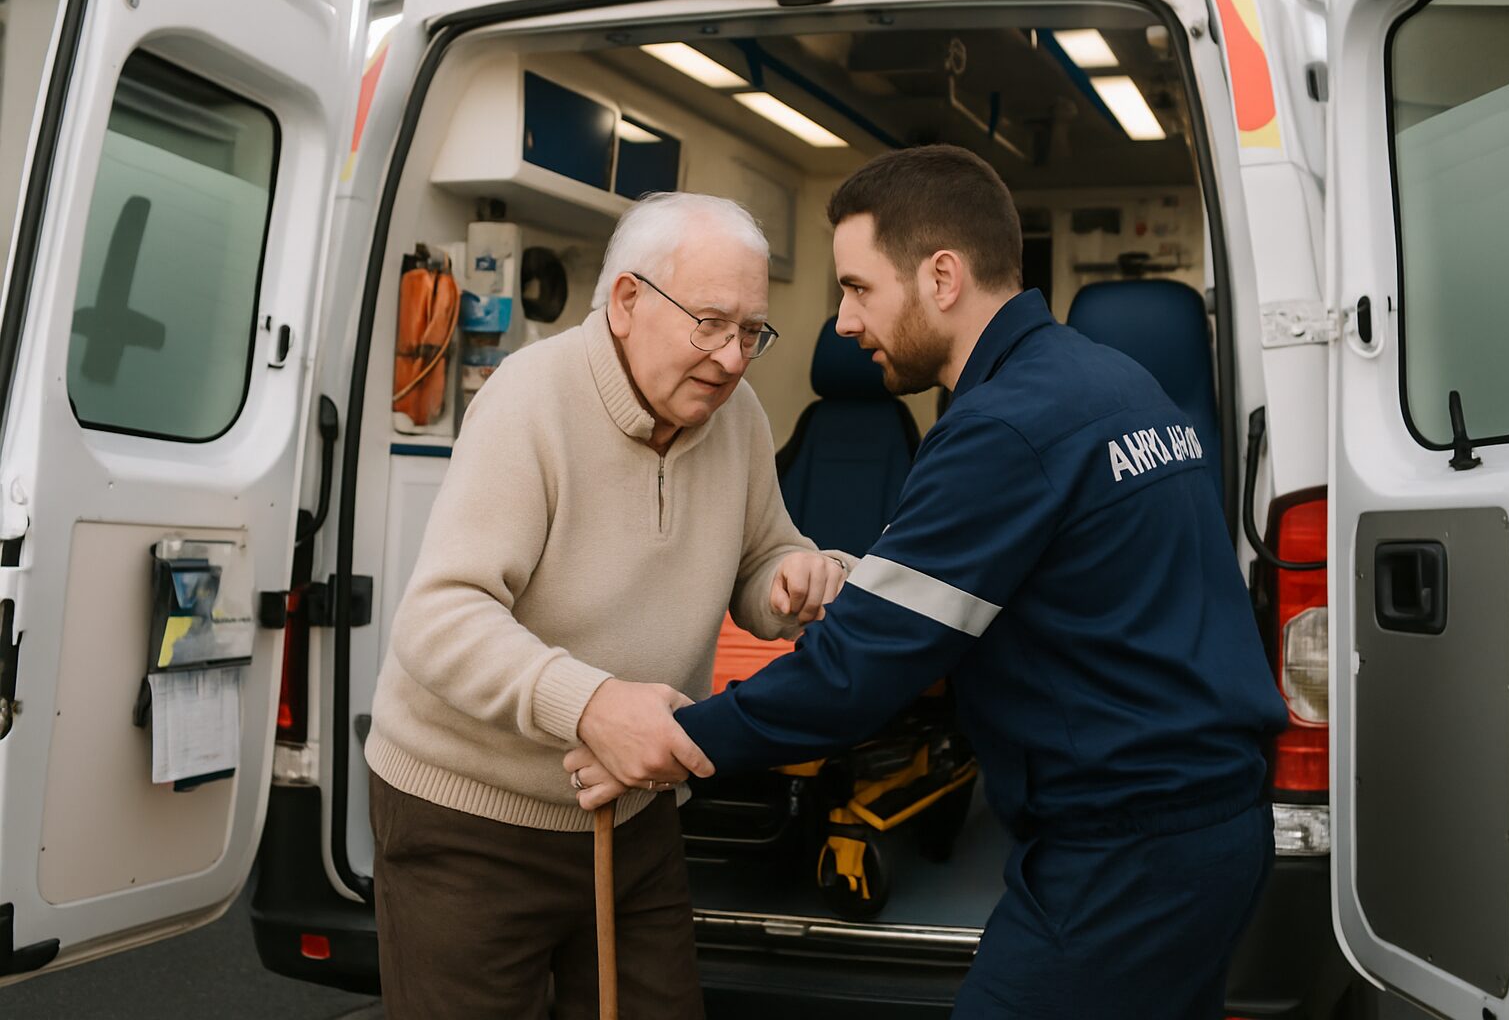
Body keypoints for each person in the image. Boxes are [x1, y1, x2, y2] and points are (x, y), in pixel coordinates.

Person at [567, 146, 1290, 1019]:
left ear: (942, 276)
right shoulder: (1114, 384)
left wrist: (675, 741)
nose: (841, 321)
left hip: (1125, 858)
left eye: (858, 287)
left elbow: (857, 673)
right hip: (1216, 828)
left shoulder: (1004, 429)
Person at [363, 191, 853, 1019]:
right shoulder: (529, 399)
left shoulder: (734, 412)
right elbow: (439, 618)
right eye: (710, 323)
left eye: (750, 333)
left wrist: (790, 577)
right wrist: (588, 705)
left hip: (634, 814)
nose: (733, 359)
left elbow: (762, 550)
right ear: (627, 301)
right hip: (469, 824)